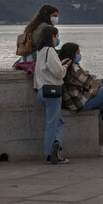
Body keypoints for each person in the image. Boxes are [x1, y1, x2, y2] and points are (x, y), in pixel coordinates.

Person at [59, 43, 103, 147]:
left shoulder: (64, 65)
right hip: (78, 103)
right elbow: (87, 82)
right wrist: (88, 75)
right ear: (72, 54)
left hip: (74, 102)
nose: (79, 55)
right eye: (78, 53)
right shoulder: (72, 67)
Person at [34, 26, 71, 164]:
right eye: (56, 36)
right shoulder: (51, 50)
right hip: (53, 92)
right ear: (52, 37)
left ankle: (56, 145)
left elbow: (46, 69)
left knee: (59, 122)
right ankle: (51, 153)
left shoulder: (40, 51)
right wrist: (65, 66)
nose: (57, 39)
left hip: (41, 91)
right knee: (53, 124)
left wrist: (59, 64)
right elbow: (59, 73)